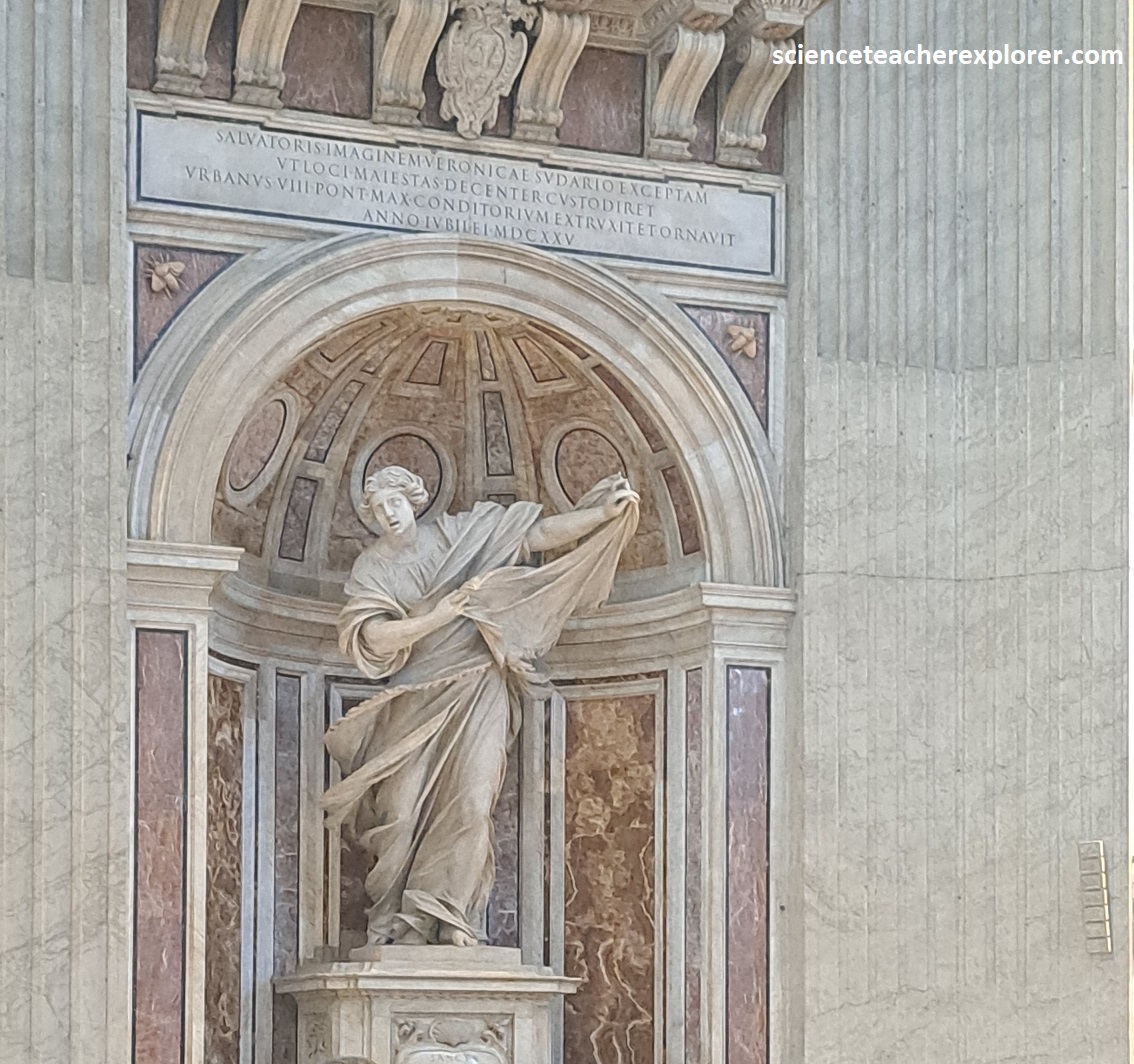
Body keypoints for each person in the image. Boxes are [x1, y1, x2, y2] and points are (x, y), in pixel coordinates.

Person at [323, 465, 639, 947]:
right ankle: (396, 920)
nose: (389, 514)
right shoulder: (373, 567)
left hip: (480, 685)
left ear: (415, 500)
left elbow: (533, 535)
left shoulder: (461, 535)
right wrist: (437, 617)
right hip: (416, 695)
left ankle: (450, 913)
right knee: (400, 813)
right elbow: (372, 636)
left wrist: (599, 515)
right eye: (380, 509)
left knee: (473, 803)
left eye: (395, 502)